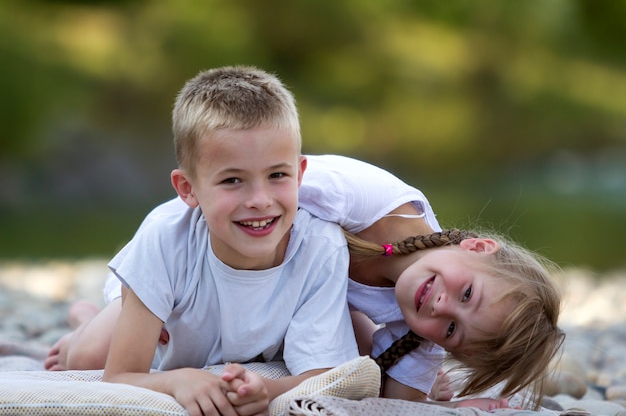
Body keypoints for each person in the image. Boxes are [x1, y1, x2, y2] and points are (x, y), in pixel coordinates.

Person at [47, 155, 564, 410]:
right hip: (201, 254)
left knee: (362, 360)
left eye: (451, 330)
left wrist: (443, 407)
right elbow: (245, 195)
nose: (441, 306)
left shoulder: (420, 337)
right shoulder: (356, 198)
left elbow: (386, 405)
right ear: (476, 247)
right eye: (467, 292)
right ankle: (86, 317)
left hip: (272, 307)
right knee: (89, 359)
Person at [68, 66, 361, 416]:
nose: (260, 200)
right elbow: (120, 375)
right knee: (87, 358)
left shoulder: (320, 246)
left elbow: (324, 376)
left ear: (299, 174)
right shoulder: (165, 239)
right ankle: (83, 319)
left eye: (277, 175)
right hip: (160, 298)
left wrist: (269, 390)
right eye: (233, 180)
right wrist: (176, 380)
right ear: (188, 189)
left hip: (228, 323)